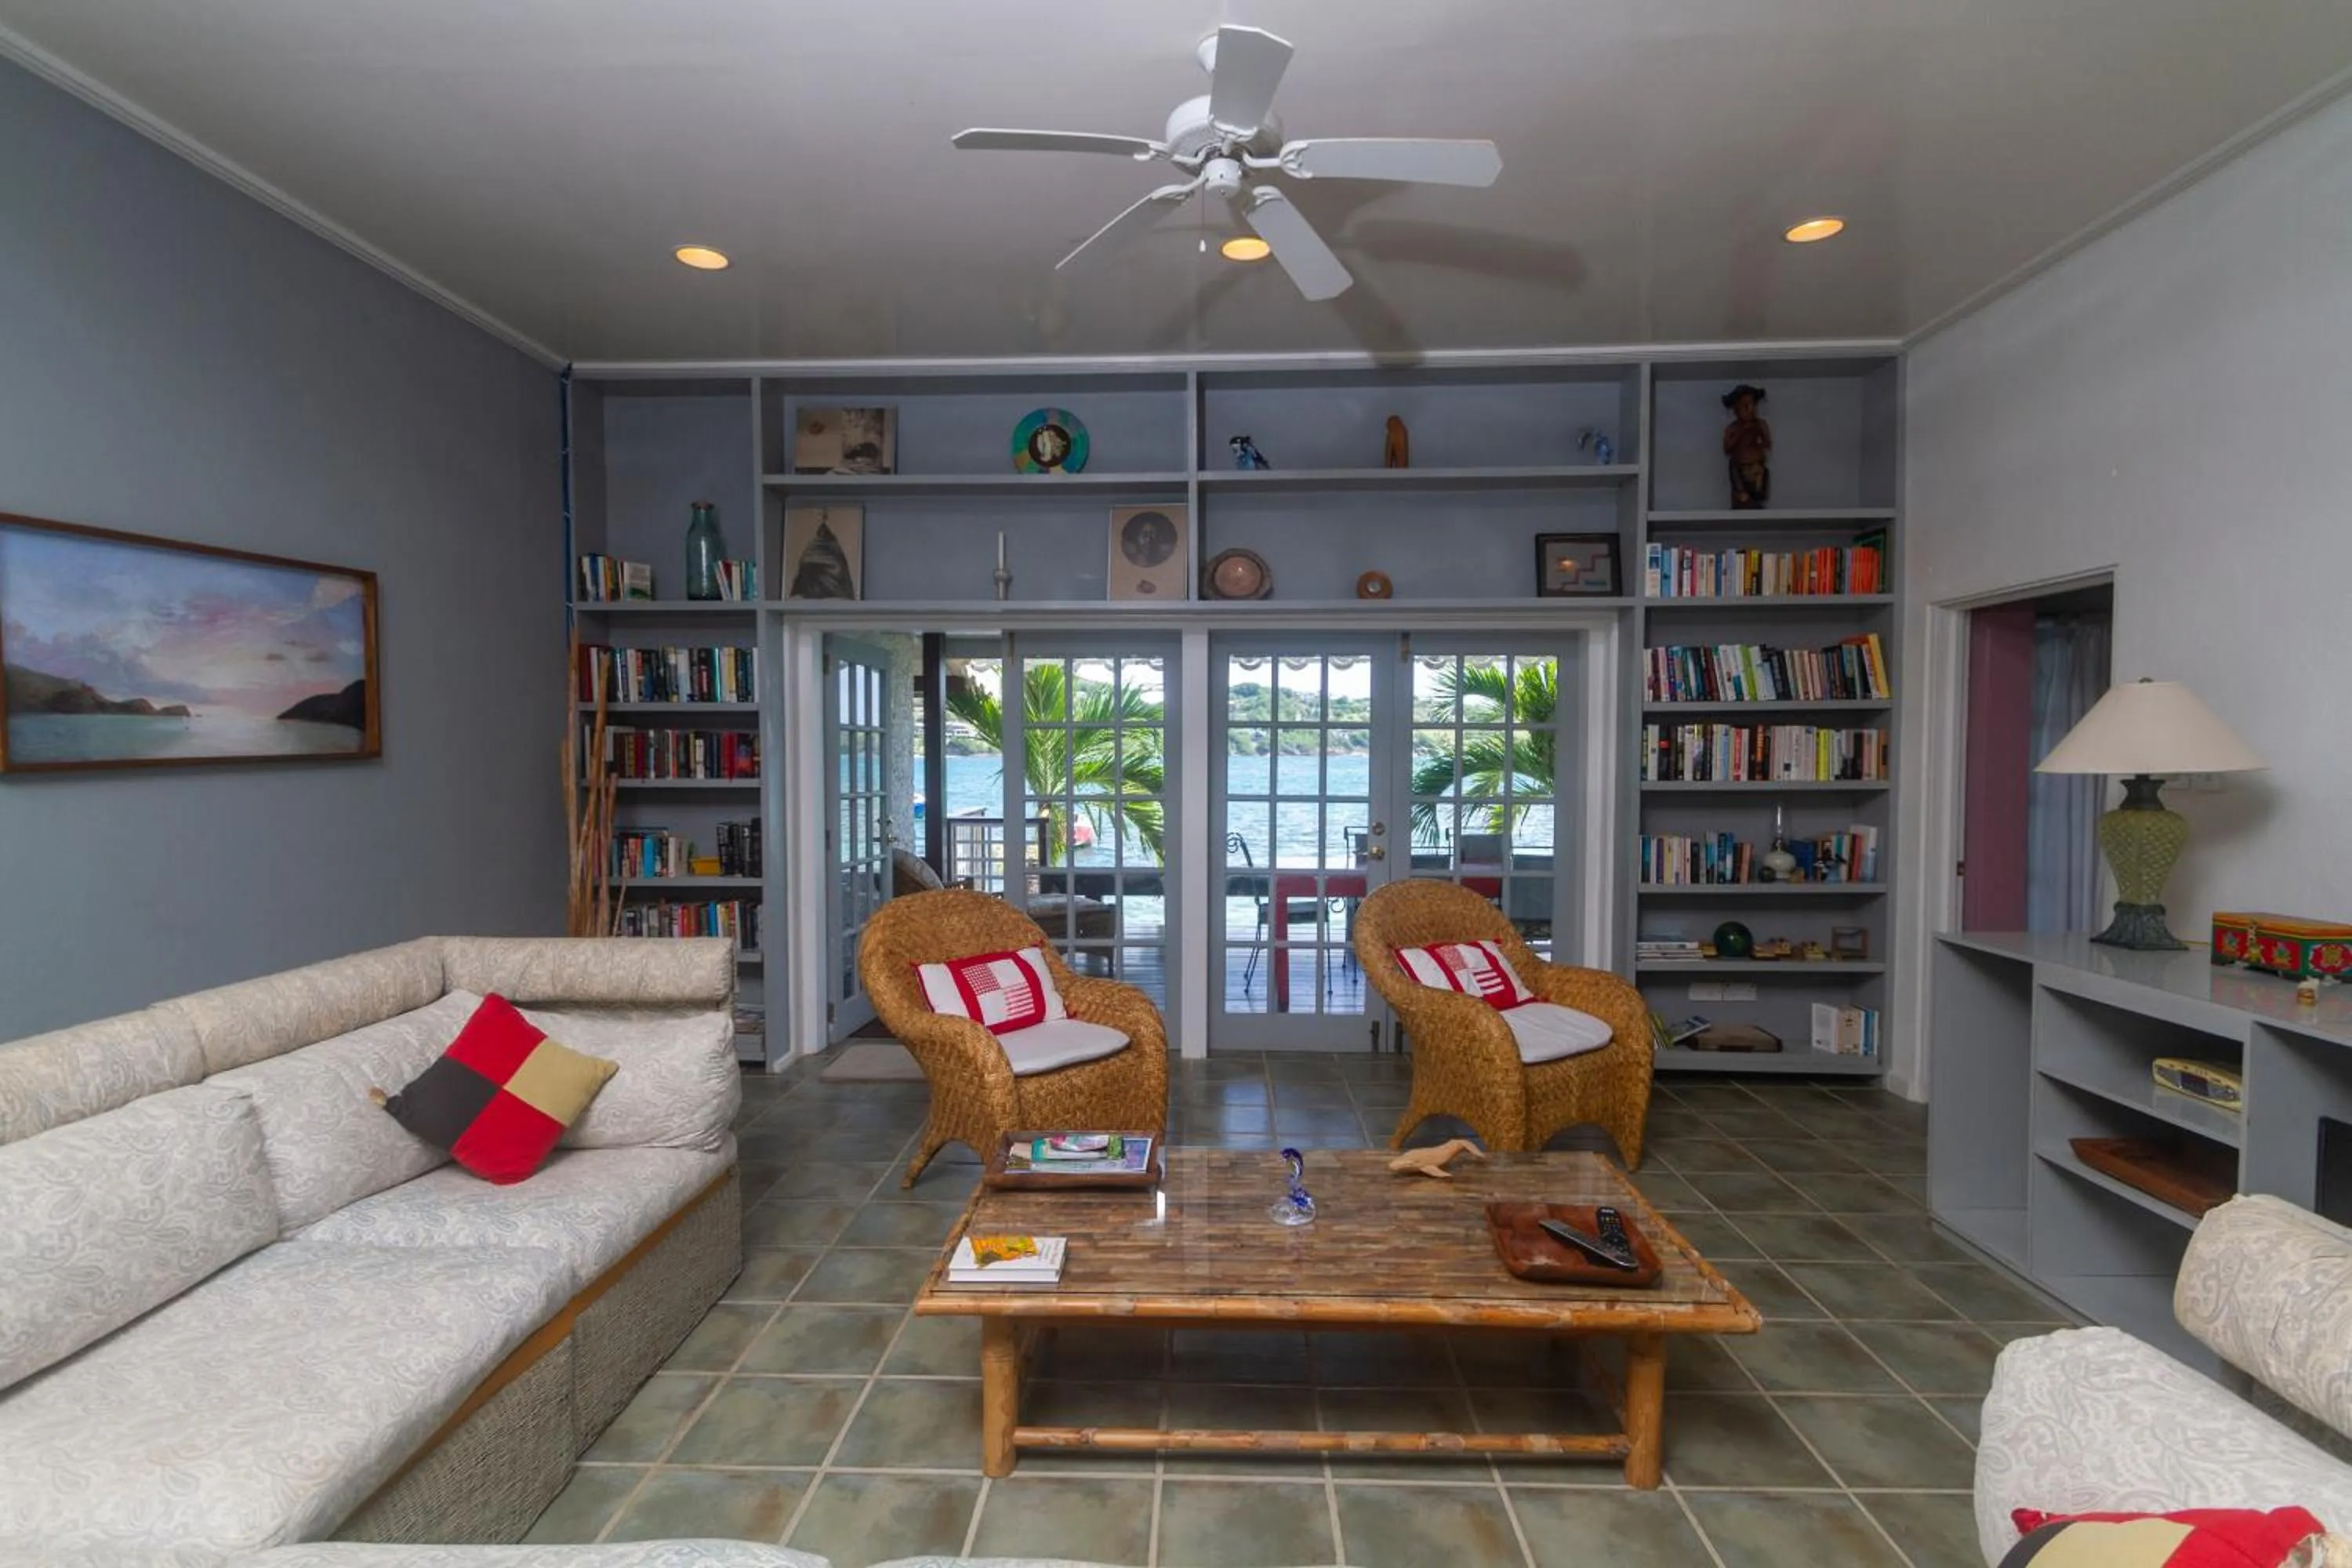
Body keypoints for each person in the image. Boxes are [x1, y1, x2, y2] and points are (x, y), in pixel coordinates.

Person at [1721, 384, 1771, 509]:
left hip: (1757, 468)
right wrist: (1739, 434)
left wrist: (1760, 435)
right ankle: (1742, 496)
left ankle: (1757, 497)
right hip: (1740, 468)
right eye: (1744, 406)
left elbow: (1767, 444)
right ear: (1736, 410)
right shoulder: (1733, 428)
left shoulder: (1760, 424)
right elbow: (1727, 448)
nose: (1749, 409)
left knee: (1758, 493)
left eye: (1752, 404)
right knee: (1741, 495)